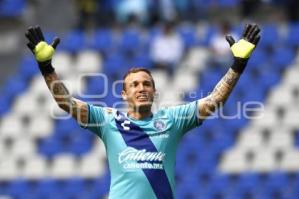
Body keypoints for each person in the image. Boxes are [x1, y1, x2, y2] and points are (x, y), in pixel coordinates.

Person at [25, 23, 260, 199]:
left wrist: (238, 65)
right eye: (134, 85)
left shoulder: (172, 120)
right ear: (124, 94)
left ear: (154, 92)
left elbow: (215, 99)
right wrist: (46, 67)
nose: (141, 88)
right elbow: (66, 102)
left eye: (147, 84)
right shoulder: (108, 120)